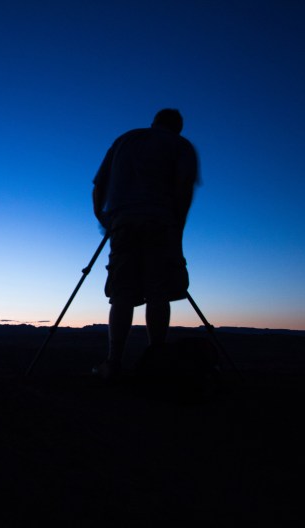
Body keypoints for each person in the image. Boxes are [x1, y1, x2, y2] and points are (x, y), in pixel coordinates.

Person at [92, 108, 198, 380]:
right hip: (161, 222)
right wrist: (177, 230)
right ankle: (156, 362)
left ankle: (113, 363)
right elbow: (183, 189)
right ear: (178, 127)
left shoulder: (125, 139)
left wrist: (102, 216)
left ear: (154, 122)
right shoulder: (180, 145)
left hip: (123, 222)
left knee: (121, 293)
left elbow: (99, 183)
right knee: (158, 292)